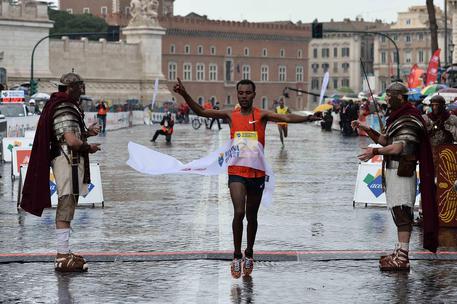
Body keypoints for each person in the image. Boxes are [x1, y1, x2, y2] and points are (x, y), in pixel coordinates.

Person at [173, 77, 320, 278]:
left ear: (254, 94)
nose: (244, 96)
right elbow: (202, 112)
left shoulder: (262, 115)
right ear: (237, 95)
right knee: (239, 212)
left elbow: (286, 118)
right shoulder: (230, 114)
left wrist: (308, 118)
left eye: (247, 93)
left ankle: (249, 252)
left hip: (257, 173)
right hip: (236, 172)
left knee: (252, 217)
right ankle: (236, 256)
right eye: (240, 93)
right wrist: (184, 94)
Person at [352, 81, 438, 271]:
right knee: (397, 211)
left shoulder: (409, 118)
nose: (387, 100)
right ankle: (399, 251)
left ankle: (403, 257)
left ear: (400, 97)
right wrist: (366, 128)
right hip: (393, 170)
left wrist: (375, 152)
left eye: (390, 96)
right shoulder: (398, 118)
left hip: (402, 171)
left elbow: (400, 146)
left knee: (402, 212)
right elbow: (386, 140)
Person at [20, 72, 101, 272]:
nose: (82, 92)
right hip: (67, 161)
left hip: (69, 161)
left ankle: (64, 251)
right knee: (66, 203)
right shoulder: (64, 108)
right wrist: (88, 147)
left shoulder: (64, 105)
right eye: (79, 88)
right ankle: (62, 254)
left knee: (68, 203)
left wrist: (86, 133)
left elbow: (69, 135)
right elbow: (70, 141)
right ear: (70, 88)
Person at [414, 95, 457, 224]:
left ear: (443, 105)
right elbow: (419, 135)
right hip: (429, 155)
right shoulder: (426, 119)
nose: (435, 107)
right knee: (427, 184)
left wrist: (447, 127)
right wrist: (431, 129)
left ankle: (445, 213)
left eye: (438, 105)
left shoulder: (452, 119)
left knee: (446, 185)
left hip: (446, 156)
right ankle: (423, 213)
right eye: (433, 105)